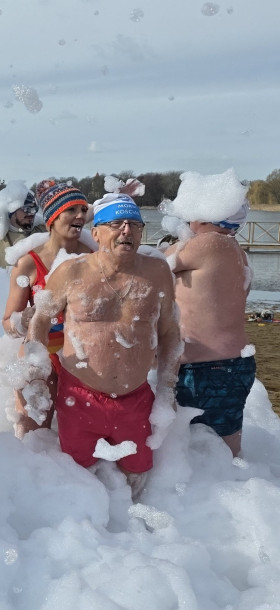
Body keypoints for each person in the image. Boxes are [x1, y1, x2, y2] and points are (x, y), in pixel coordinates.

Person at [24, 194, 181, 492]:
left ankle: (136, 536)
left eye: (135, 225)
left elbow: (170, 332)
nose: (126, 231)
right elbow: (40, 322)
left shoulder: (157, 272)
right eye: (116, 224)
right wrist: (34, 374)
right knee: (76, 477)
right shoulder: (72, 272)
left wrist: (167, 388)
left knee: (138, 475)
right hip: (79, 397)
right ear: (95, 233)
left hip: (135, 398)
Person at [2, 180, 92, 436]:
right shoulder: (28, 264)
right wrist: (24, 319)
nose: (80, 216)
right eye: (71, 210)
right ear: (53, 217)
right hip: (42, 354)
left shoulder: (92, 258)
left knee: (80, 436)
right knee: (34, 436)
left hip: (82, 354)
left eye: (83, 210)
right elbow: (8, 322)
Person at [168, 199, 255, 456]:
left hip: (207, 367)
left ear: (205, 216)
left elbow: (153, 263)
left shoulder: (210, 243)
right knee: (222, 453)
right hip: (231, 365)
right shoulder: (238, 253)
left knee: (198, 453)